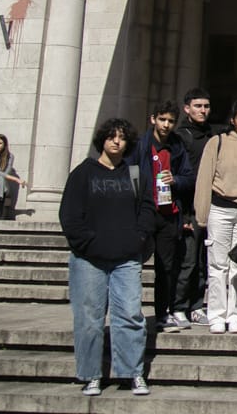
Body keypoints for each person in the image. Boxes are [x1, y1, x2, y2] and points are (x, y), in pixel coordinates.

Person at [59, 118, 155, 397]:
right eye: (111, 136)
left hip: (126, 258)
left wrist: (138, 238)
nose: (116, 141)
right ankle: (91, 375)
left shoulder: (135, 174)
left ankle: (132, 372)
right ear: (102, 139)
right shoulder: (83, 173)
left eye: (122, 138)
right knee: (89, 318)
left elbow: (147, 209)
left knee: (129, 315)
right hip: (88, 259)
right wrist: (88, 243)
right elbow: (69, 215)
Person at [193, 100, 237, 334]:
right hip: (220, 209)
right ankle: (216, 314)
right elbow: (204, 178)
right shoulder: (217, 142)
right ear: (232, 120)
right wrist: (201, 214)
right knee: (217, 265)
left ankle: (235, 315)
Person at [130, 101, 194, 332]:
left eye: (170, 121)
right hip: (145, 213)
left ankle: (162, 314)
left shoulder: (177, 147)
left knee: (166, 268)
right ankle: (130, 313)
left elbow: (189, 178)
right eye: (162, 119)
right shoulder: (140, 146)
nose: (166, 125)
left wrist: (175, 180)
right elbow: (130, 173)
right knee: (133, 266)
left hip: (169, 214)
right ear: (153, 119)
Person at [170, 87, 224, 327]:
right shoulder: (181, 137)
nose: (203, 110)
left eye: (206, 106)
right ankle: (178, 306)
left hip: (210, 206)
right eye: (198, 106)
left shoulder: (213, 136)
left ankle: (196, 305)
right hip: (187, 207)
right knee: (188, 260)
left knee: (203, 260)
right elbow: (177, 175)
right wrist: (182, 214)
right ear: (187, 109)